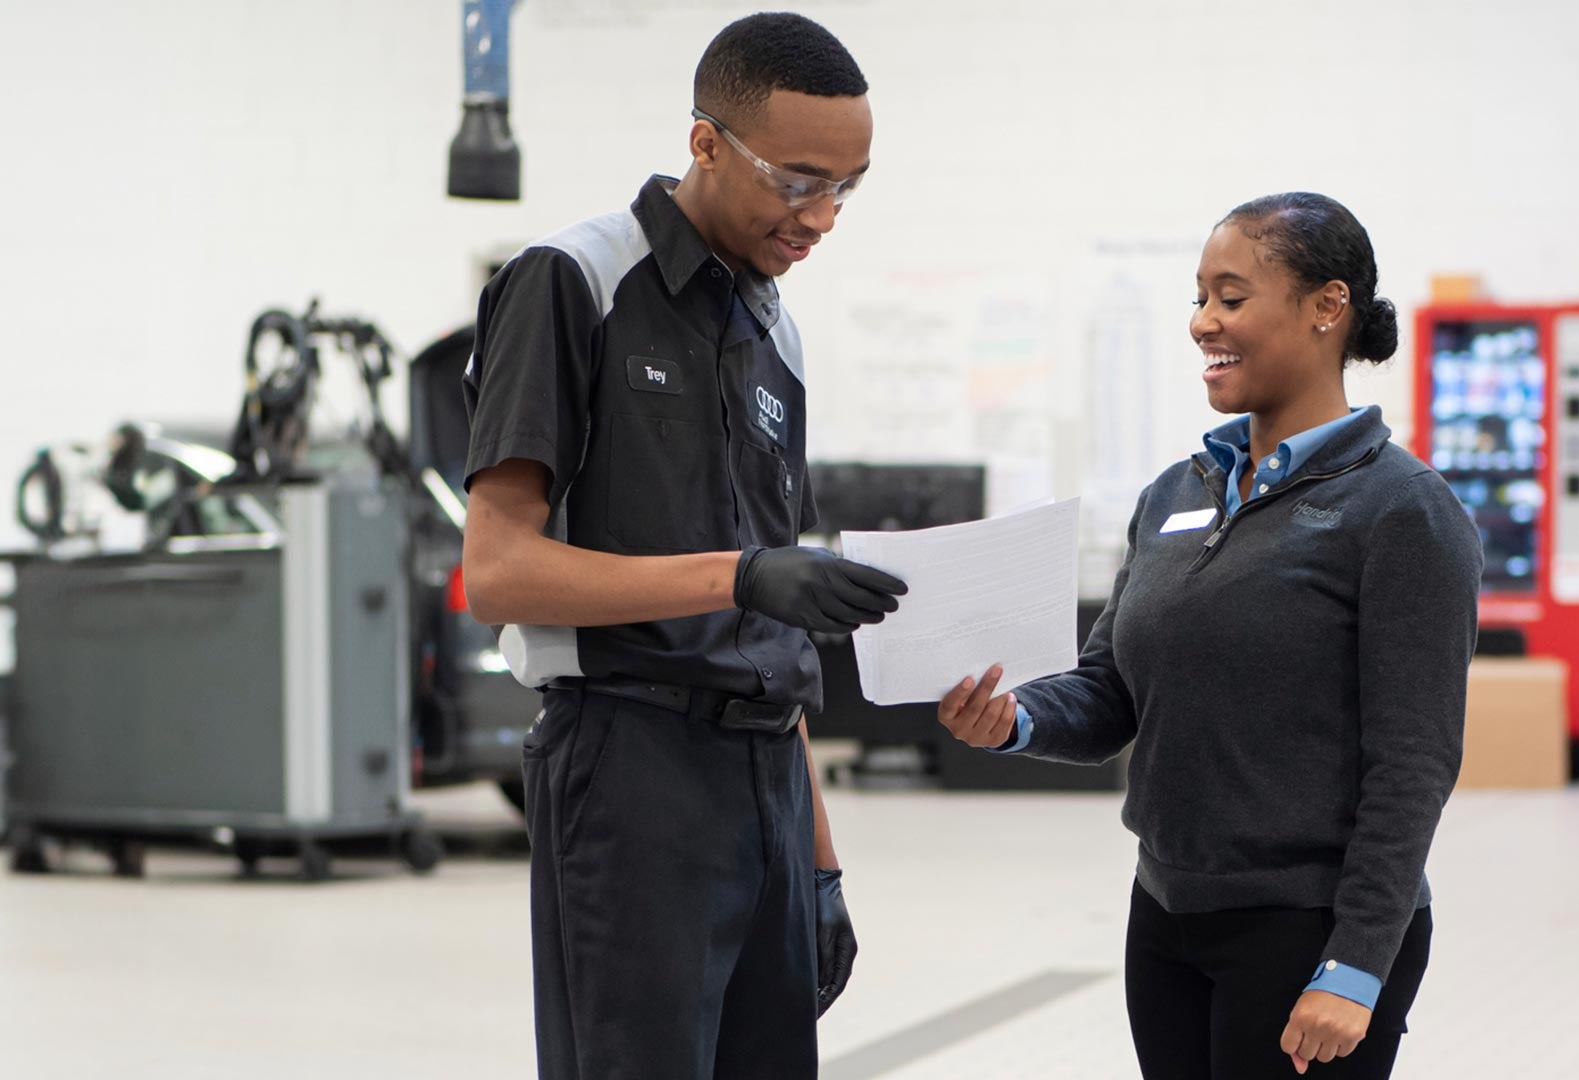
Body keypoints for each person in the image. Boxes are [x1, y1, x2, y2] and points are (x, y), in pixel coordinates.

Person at [937, 193, 1482, 1078]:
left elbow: (1414, 764)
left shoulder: (1402, 511)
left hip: (1307, 930)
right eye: (1199, 298)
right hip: (1165, 914)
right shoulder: (1178, 493)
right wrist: (1015, 719)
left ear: (1326, 307)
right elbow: (1109, 690)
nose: (1202, 323)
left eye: (1231, 297)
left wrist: (1357, 964)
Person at [459, 14, 906, 1079]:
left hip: (764, 781)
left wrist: (820, 862)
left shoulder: (773, 331)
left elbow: (774, 638)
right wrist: (740, 576)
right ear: (705, 144)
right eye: (799, 183)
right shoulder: (574, 283)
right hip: (630, 768)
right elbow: (500, 571)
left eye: (849, 186)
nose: (824, 218)